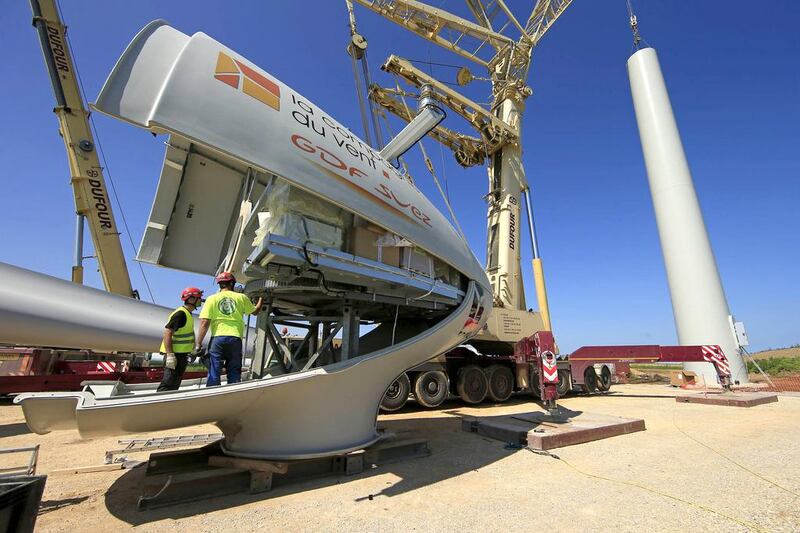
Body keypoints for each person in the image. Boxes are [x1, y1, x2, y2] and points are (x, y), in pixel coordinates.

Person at [196, 272, 263, 386]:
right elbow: (255, 311)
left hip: (217, 339)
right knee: (234, 370)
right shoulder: (241, 297)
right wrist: (261, 298)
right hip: (235, 338)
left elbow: (204, 322)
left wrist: (198, 344)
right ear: (232, 283)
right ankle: (233, 395)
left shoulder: (212, 299)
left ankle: (212, 396)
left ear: (219, 284)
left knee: (214, 370)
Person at [157, 287, 203, 392]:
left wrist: (192, 350)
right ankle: (159, 405)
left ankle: (169, 405)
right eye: (199, 298)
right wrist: (170, 355)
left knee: (174, 385)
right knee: (168, 384)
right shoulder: (180, 314)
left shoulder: (187, 313)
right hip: (174, 355)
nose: (201, 301)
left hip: (181, 355)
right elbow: (168, 332)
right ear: (191, 300)